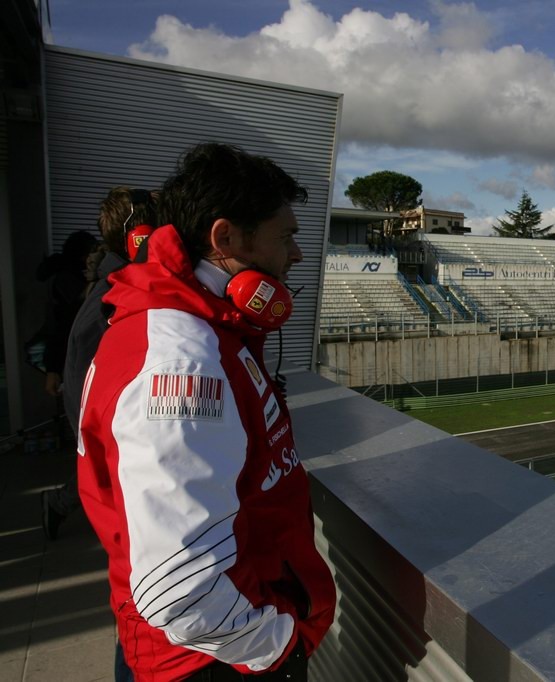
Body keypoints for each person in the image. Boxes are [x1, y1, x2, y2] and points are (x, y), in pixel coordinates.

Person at [77, 143, 335, 681]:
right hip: (215, 660)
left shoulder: (193, 327)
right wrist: (280, 647)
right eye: (285, 236)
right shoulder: (181, 358)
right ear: (225, 239)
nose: (297, 254)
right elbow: (177, 590)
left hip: (210, 647)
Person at [42, 187, 158, 541]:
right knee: (103, 473)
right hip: (95, 410)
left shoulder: (117, 280)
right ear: (140, 238)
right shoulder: (116, 290)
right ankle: (58, 505)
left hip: (94, 410)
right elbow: (83, 353)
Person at [33, 229, 97, 396]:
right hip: (66, 351)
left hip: (69, 350)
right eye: (90, 253)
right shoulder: (66, 278)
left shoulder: (68, 275)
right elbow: (63, 322)